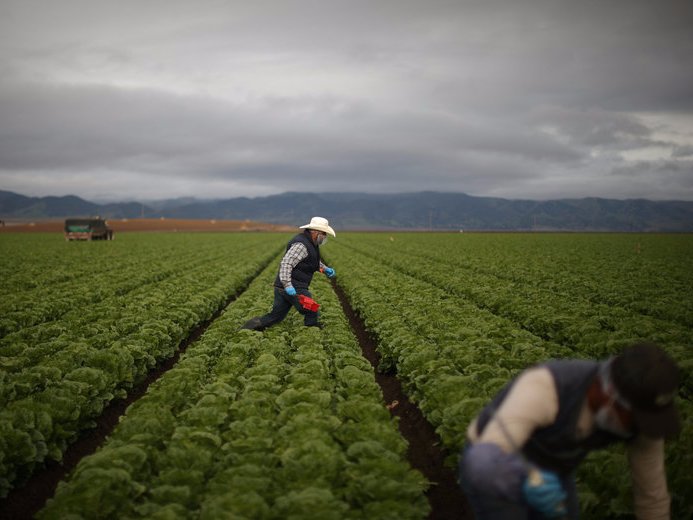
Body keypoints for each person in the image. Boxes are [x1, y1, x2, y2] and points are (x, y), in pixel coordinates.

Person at [458, 342, 681, 519]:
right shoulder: (547, 386)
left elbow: (652, 497)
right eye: (634, 418)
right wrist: (524, 477)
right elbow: (483, 461)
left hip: (554, 471)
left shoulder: (645, 419)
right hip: (495, 458)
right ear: (609, 395)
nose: (639, 427)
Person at [241, 216, 336, 331]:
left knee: (275, 316)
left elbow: (312, 260)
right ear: (315, 232)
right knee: (311, 308)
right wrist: (288, 285)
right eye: (323, 234)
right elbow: (286, 263)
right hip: (294, 286)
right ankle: (311, 330)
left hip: (282, 287)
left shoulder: (310, 243)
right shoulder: (302, 245)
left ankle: (248, 328)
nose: (324, 237)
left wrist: (325, 269)